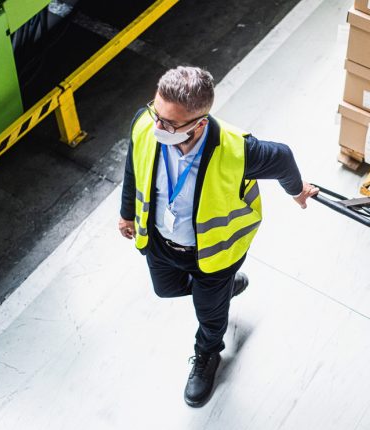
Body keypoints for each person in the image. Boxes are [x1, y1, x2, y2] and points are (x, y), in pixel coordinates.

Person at [118, 66, 319, 407]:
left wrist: (297, 191)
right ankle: (223, 291)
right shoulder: (145, 124)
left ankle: (208, 355)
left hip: (214, 255)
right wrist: (126, 212)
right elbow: (133, 166)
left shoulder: (238, 152)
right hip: (161, 243)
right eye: (157, 113)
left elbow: (283, 157)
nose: (158, 127)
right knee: (164, 289)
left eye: (169, 123)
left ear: (199, 123)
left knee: (210, 317)